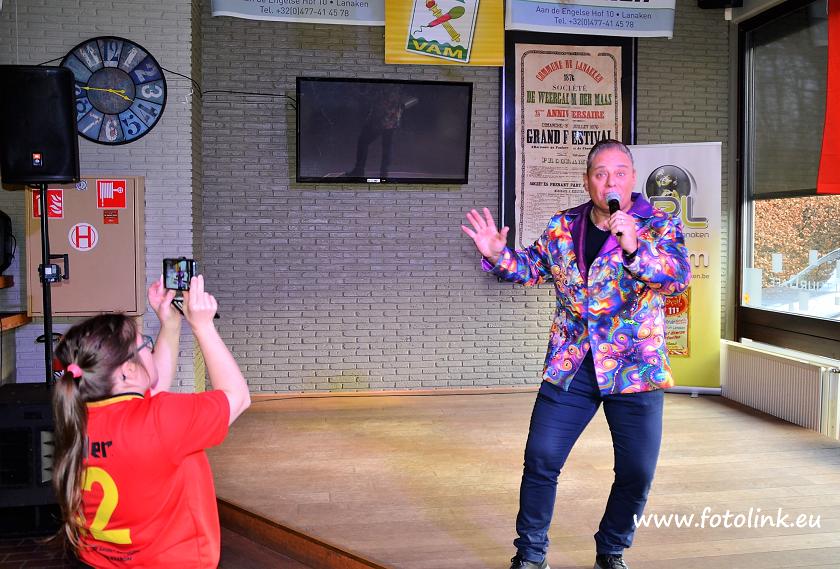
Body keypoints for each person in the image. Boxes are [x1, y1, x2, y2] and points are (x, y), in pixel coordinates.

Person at [461, 140, 691, 569]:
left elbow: (677, 279)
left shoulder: (658, 224)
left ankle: (611, 550)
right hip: (572, 365)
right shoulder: (563, 226)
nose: (610, 182)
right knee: (541, 459)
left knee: (637, 472)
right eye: (601, 174)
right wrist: (497, 255)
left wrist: (634, 246)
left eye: (619, 173)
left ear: (632, 178)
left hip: (634, 368)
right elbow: (531, 269)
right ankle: (530, 555)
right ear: (587, 181)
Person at [51, 275, 251, 568]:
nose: (149, 348)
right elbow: (238, 397)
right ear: (127, 371)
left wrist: (170, 323)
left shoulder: (77, 416)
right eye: (144, 345)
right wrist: (203, 326)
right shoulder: (160, 419)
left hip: (99, 562)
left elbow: (151, 393)